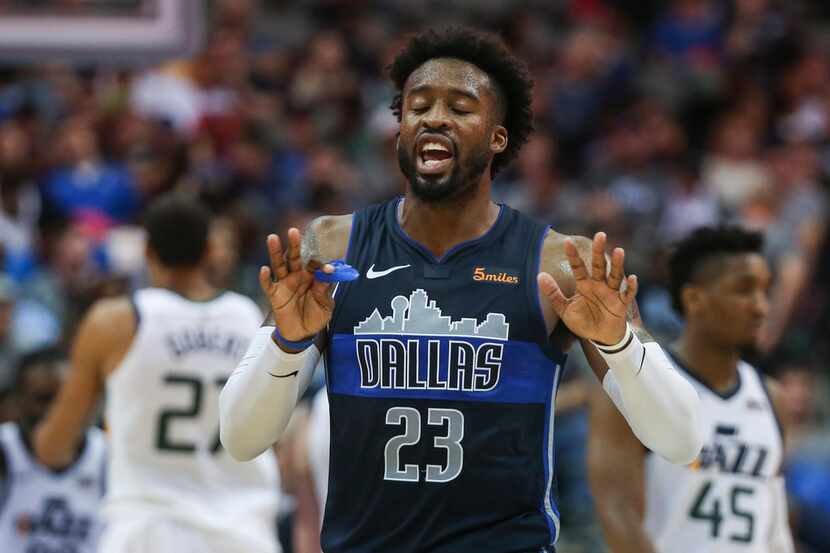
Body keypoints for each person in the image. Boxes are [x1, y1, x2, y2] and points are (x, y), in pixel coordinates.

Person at [220, 26, 703, 553]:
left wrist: (619, 342)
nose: (433, 117)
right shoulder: (334, 246)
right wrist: (286, 344)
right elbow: (241, 439)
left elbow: (681, 442)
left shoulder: (558, 263)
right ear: (400, 128)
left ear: (498, 137)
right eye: (417, 105)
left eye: (460, 106)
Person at [33, 194, 281, 553]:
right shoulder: (250, 317)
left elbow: (55, 448)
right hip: (243, 532)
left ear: (147, 252)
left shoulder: (114, 321)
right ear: (211, 250)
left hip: (148, 532)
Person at [588, 226, 795, 553]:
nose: (761, 307)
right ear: (695, 299)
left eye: (765, 291)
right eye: (744, 290)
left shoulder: (774, 398)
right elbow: (618, 512)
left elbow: (775, 525)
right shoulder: (635, 384)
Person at [0, 347, 106, 553]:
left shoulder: (108, 457)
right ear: (18, 401)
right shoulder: (4, 451)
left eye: (64, 400)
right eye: (43, 399)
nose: (56, 413)